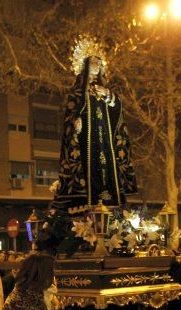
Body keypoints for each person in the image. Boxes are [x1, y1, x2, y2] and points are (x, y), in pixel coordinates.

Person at [51, 42, 137, 214]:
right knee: (87, 169)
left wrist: (110, 97)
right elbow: (71, 111)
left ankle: (110, 201)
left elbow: (117, 112)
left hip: (105, 143)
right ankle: (88, 204)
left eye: (99, 63)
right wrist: (75, 121)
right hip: (86, 144)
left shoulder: (104, 91)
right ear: (85, 66)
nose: (97, 66)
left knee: (106, 168)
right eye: (93, 62)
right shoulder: (77, 93)